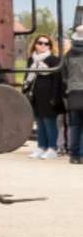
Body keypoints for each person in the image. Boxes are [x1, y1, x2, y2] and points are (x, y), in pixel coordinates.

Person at [23, 34, 64, 159]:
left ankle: (52, 148)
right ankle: (41, 147)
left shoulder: (53, 60)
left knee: (49, 122)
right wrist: (25, 91)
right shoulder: (31, 60)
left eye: (47, 44)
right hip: (35, 95)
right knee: (39, 123)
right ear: (35, 44)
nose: (43, 46)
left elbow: (57, 80)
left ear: (50, 46)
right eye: (40, 43)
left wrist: (54, 97)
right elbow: (27, 77)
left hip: (49, 95)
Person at [63, 35, 83, 165]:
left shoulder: (68, 54)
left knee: (75, 125)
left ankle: (74, 155)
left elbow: (64, 76)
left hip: (73, 93)